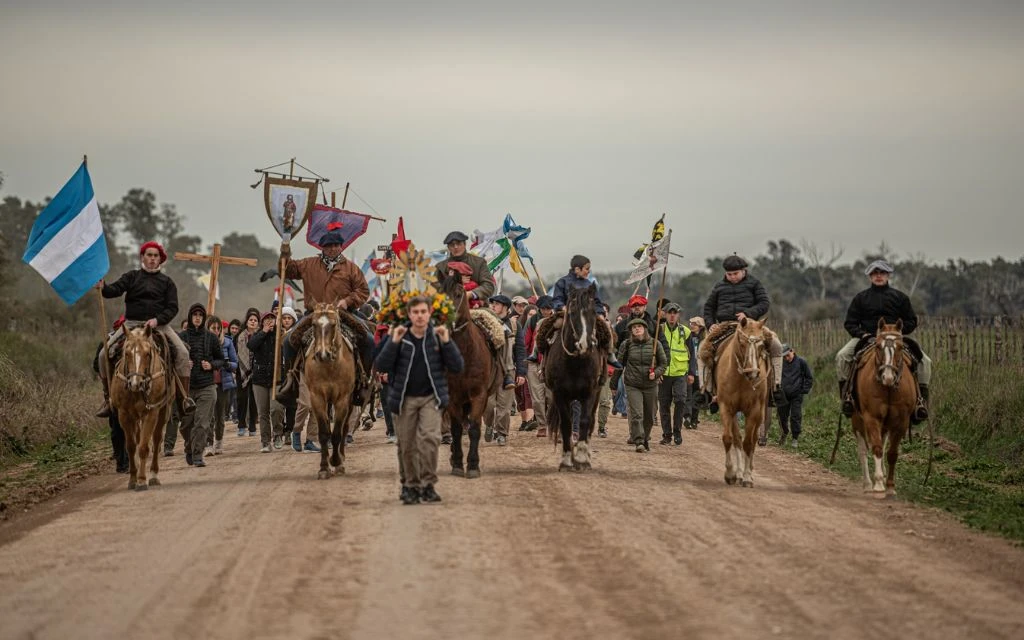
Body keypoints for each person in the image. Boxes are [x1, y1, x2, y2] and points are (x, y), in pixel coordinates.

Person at [374, 296, 465, 505]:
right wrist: (393, 341)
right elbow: (382, 364)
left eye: (423, 312)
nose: (420, 316)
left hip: (430, 398)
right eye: (415, 312)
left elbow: (457, 366)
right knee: (407, 444)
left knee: (430, 439)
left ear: (429, 313)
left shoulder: (437, 335)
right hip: (404, 399)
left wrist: (447, 341)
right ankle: (410, 486)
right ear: (409, 315)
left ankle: (428, 484)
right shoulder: (400, 336)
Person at [94, 241, 192, 418]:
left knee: (183, 354)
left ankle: (184, 398)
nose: (152, 259)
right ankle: (108, 398)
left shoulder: (167, 282)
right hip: (131, 325)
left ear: (160, 259)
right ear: (142, 257)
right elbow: (113, 291)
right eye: (149, 255)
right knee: (103, 355)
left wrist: (157, 320)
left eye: (156, 256)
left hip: (159, 326)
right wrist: (103, 286)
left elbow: (172, 308)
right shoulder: (131, 276)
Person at [837, 260, 931, 422]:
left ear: (888, 275)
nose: (878, 276)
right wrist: (863, 334)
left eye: (882, 273)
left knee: (926, 361)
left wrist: (898, 332)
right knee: (842, 356)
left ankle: (920, 403)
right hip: (868, 338)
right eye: (875, 273)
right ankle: (847, 399)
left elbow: (912, 321)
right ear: (870, 276)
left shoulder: (900, 298)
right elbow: (850, 323)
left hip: (894, 338)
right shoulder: (860, 298)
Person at [279, 230, 371, 395]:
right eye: (329, 246)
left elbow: (363, 290)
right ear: (322, 247)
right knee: (288, 341)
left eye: (336, 245)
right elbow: (287, 270)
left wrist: (347, 301)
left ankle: (364, 380)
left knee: (370, 340)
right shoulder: (308, 264)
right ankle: (291, 379)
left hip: (344, 314)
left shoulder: (351, 268)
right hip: (314, 313)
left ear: (341, 247)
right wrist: (285, 250)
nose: (333, 249)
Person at [698, 254, 786, 409]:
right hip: (725, 325)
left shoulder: (754, 284)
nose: (732, 277)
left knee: (777, 346)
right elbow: (708, 308)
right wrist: (710, 324)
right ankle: (706, 392)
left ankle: (775, 387)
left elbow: (764, 303)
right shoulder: (719, 287)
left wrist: (748, 313)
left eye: (735, 274)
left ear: (743, 271)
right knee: (703, 350)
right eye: (729, 274)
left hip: (751, 325)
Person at [550, 254, 621, 368]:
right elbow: (556, 300)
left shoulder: (589, 285)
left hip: (588, 315)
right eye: (587, 269)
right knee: (543, 325)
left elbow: (597, 302)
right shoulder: (562, 282)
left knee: (607, 325)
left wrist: (601, 314)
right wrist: (563, 307)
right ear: (577, 269)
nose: (589, 271)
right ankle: (539, 353)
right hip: (567, 315)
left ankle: (610, 354)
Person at [177, 303, 224, 468]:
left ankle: (198, 455)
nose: (197, 317)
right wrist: (183, 363)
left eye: (200, 315)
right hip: (186, 388)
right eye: (194, 314)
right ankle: (189, 447)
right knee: (186, 425)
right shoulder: (180, 337)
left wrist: (211, 365)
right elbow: (172, 360)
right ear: (190, 317)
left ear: (203, 318)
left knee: (202, 423)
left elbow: (221, 360)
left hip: (207, 386)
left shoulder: (211, 337)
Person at [617, 318, 667, 452]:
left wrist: (656, 373)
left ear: (645, 329)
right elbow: (619, 365)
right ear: (631, 331)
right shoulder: (626, 345)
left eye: (639, 326)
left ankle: (645, 438)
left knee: (650, 415)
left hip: (651, 385)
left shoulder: (656, 344)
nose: (637, 329)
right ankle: (638, 441)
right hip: (633, 384)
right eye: (634, 328)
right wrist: (613, 384)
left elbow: (663, 364)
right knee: (637, 414)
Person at [484, 294, 526, 445]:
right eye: (492, 303)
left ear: (506, 307)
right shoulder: (485, 323)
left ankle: (501, 433)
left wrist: (521, 372)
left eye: (497, 304)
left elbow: (520, 350)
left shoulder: (515, 325)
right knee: (488, 406)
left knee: (505, 406)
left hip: (508, 370)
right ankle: (489, 425)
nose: (493, 306)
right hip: (488, 371)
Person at [657, 303, 696, 446]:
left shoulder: (685, 331)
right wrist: (656, 371)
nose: (672, 315)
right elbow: (653, 352)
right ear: (665, 314)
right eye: (669, 313)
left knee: (680, 400)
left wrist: (691, 373)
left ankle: (677, 431)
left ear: (678, 315)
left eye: (675, 313)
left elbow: (692, 354)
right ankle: (667, 434)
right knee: (664, 404)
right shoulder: (658, 330)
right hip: (663, 373)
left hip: (680, 373)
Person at [248, 311, 281, 452]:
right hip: (259, 379)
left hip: (276, 379)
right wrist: (264, 332)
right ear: (262, 322)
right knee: (263, 412)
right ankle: (265, 441)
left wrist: (277, 330)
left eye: (272, 319)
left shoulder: (279, 335)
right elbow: (251, 346)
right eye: (266, 319)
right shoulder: (257, 336)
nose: (269, 321)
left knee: (276, 409)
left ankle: (278, 434)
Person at [434, 231, 496, 304]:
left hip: (477, 305)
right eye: (452, 245)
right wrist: (453, 291)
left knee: (487, 315)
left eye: (459, 243)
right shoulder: (441, 267)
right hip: (448, 305)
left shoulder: (479, 262)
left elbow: (489, 286)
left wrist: (471, 294)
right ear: (448, 248)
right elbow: (434, 287)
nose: (456, 247)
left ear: (465, 244)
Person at [206, 316, 238, 456]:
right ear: (208, 328)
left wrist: (227, 364)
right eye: (213, 328)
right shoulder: (204, 342)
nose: (217, 331)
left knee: (220, 415)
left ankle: (218, 441)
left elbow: (235, 363)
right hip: (207, 383)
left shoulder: (227, 343)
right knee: (208, 416)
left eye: (219, 328)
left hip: (223, 383)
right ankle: (208, 443)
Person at [778, 344, 813, 447]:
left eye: (788, 355)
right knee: (782, 416)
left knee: (795, 416)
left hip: (796, 395)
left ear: (792, 351)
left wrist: (803, 390)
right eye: (784, 356)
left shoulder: (801, 362)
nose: (786, 358)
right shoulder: (781, 363)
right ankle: (784, 432)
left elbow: (809, 378)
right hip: (783, 394)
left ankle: (795, 438)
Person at [234, 308, 260, 437]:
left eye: (255, 320)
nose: (253, 322)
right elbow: (234, 353)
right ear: (247, 321)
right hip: (241, 371)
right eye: (251, 320)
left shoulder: (260, 335)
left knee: (254, 399)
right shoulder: (239, 336)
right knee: (241, 398)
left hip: (256, 371)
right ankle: (241, 424)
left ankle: (252, 426)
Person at [686, 316, 706, 428]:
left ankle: (694, 419)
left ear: (700, 327)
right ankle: (687, 417)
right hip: (689, 370)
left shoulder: (705, 340)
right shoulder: (687, 337)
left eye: (695, 324)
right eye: (691, 323)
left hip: (701, 372)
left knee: (697, 396)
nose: (692, 326)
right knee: (687, 395)